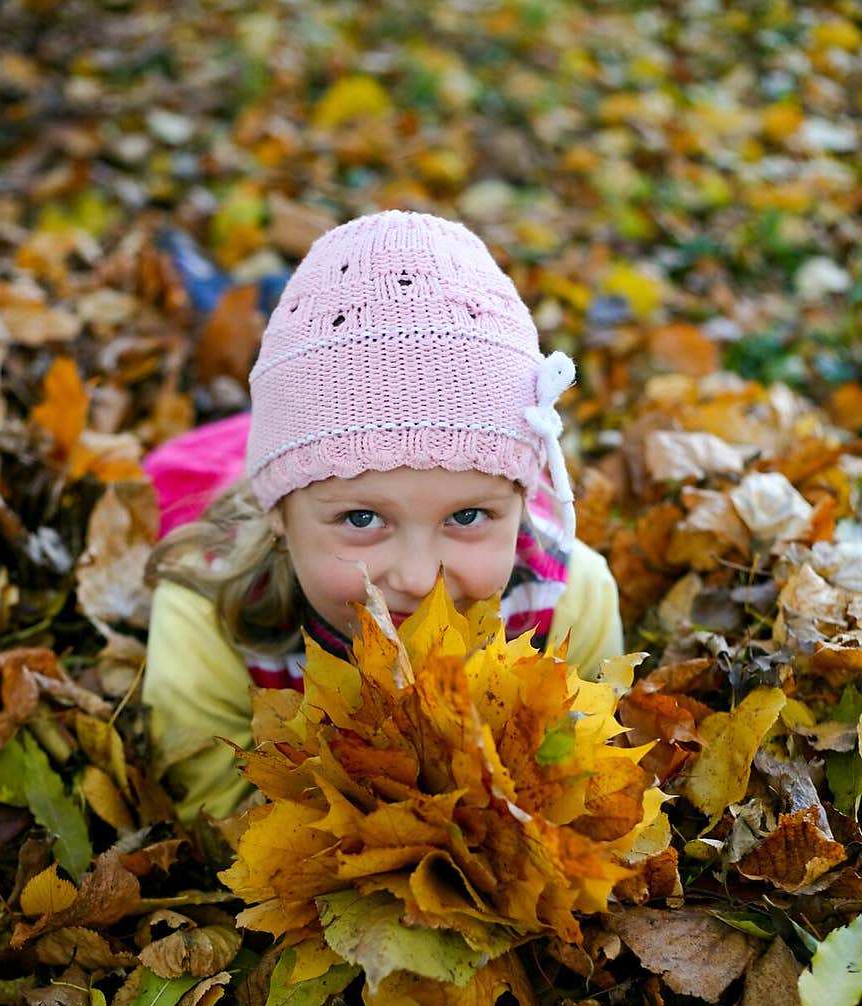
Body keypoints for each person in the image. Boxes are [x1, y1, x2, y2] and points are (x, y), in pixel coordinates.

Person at [141, 209, 624, 823]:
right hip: (238, 464)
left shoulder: (570, 601)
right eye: (364, 520)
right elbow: (215, 815)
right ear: (281, 518)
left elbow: (583, 781)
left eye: (469, 514)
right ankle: (214, 284)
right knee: (193, 454)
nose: (419, 578)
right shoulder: (209, 616)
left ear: (519, 506)